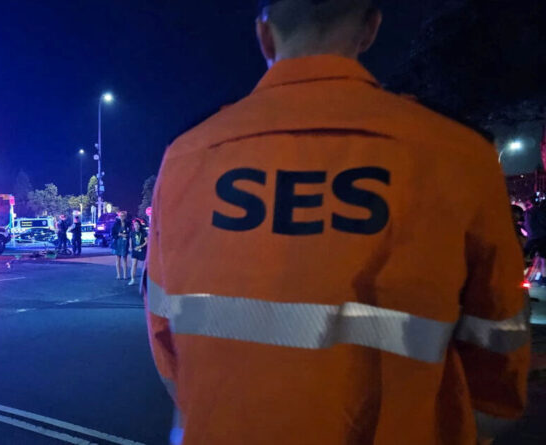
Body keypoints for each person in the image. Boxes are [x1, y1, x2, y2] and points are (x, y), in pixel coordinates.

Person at [144, 1, 530, 444]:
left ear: (265, 35)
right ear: (370, 29)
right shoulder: (458, 155)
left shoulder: (188, 157)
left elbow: (169, 352)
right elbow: (499, 375)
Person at [524, 197, 546, 282]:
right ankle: (543, 278)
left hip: (531, 238)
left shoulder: (527, 212)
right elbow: (543, 222)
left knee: (527, 255)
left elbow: (525, 224)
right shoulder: (538, 211)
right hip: (541, 237)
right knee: (543, 258)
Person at [128, 218, 148, 286]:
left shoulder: (143, 232)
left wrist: (140, 246)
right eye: (135, 224)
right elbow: (130, 240)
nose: (136, 226)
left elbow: (146, 241)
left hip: (142, 250)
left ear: (139, 225)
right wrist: (130, 247)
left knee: (143, 266)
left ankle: (144, 280)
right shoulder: (132, 232)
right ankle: (132, 279)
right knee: (134, 264)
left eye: (137, 224)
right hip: (135, 250)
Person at [111, 211, 130, 279]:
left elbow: (130, 232)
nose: (122, 217)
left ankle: (125, 275)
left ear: (125, 216)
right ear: (119, 216)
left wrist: (127, 236)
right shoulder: (116, 224)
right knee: (118, 259)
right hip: (118, 243)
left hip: (125, 243)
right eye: (121, 216)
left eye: (123, 216)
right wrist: (120, 234)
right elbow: (113, 234)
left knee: (124, 259)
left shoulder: (128, 223)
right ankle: (118, 275)